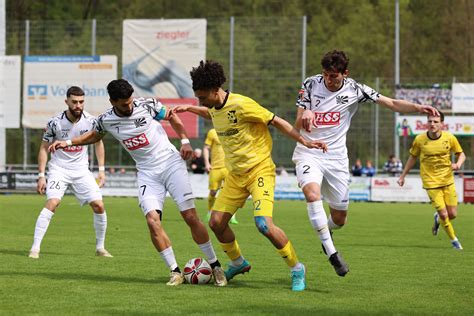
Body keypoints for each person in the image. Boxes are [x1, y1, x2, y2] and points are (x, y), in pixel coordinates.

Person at [49, 79, 227, 287]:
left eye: (130, 101)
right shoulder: (106, 119)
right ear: (113, 101)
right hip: (147, 173)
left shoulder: (147, 105)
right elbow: (92, 136)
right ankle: (175, 272)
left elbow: (172, 116)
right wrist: (68, 142)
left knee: (190, 216)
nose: (129, 106)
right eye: (123, 104)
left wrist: (185, 141)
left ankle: (215, 267)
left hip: (170, 163)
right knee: (152, 221)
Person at [173, 60, 328, 292]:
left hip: (259, 171)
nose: (201, 101)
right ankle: (238, 263)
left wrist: (305, 141)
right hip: (235, 176)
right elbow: (212, 114)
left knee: (263, 224)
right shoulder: (215, 107)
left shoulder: (243, 105)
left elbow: (277, 122)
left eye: (202, 97)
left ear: (216, 90)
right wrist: (192, 109)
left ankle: (297, 268)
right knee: (216, 222)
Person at [293, 50, 439, 277]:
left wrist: (418, 108)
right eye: (326, 75)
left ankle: (327, 232)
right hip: (309, 151)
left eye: (334, 76)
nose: (329, 80)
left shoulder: (355, 89)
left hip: (337, 158)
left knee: (340, 219)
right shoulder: (311, 84)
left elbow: (390, 102)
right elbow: (297, 122)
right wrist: (307, 114)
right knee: (312, 195)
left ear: (345, 73)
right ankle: (332, 253)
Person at [29, 86, 112, 259]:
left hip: (81, 171)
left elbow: (98, 143)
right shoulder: (55, 122)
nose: (78, 105)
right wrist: (41, 175)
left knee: (99, 205)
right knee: (53, 202)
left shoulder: (91, 121)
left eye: (81, 102)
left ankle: (100, 248)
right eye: (74, 102)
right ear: (66, 101)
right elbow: (44, 148)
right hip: (59, 169)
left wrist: (102, 170)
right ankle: (35, 249)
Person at [398, 112, 465, 250]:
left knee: (452, 214)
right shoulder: (420, 139)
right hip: (431, 182)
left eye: (435, 121)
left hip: (448, 180)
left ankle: (437, 219)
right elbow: (412, 158)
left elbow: (461, 154)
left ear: (442, 123)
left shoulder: (449, 138)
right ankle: (455, 242)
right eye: (430, 121)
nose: (432, 124)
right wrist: (402, 176)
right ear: (426, 123)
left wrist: (458, 164)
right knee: (444, 214)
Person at [203, 128, 238, 225]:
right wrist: (207, 163)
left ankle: (232, 216)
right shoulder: (212, 132)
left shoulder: (232, 131)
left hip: (229, 168)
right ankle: (210, 212)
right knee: (213, 192)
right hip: (215, 168)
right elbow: (206, 147)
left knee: (232, 192)